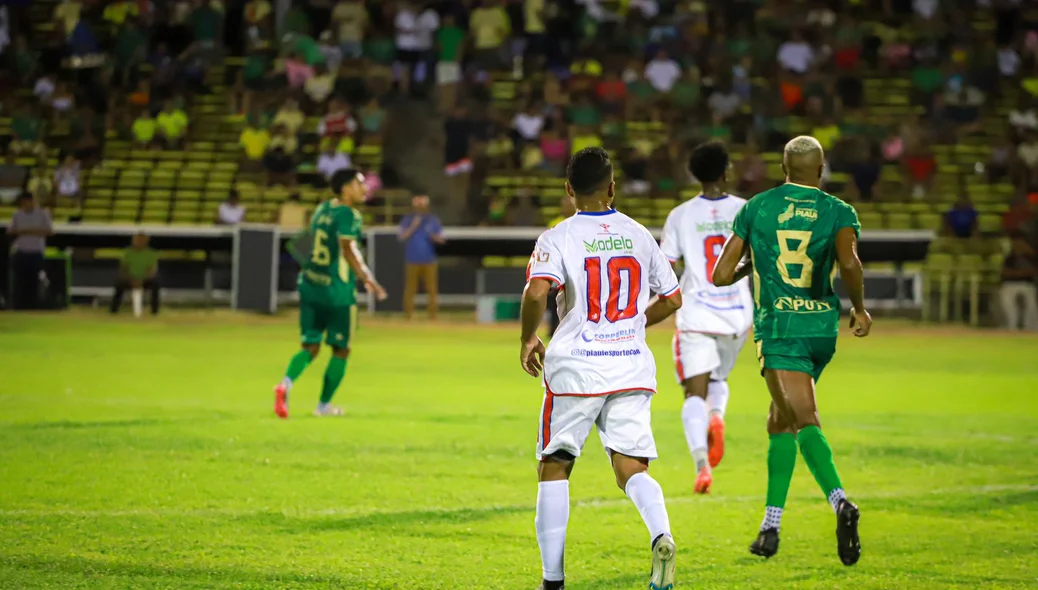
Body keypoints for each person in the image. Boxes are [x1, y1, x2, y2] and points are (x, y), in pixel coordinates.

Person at [520, 147, 682, 590]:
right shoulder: (638, 233)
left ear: (569, 190)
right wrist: (630, 323)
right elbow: (671, 298)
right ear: (612, 187)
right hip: (629, 366)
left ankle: (553, 581)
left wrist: (527, 338)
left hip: (576, 366)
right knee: (631, 466)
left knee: (555, 464)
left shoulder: (558, 236)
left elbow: (537, 293)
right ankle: (661, 534)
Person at [712, 136, 868, 566]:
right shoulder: (839, 211)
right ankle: (770, 526)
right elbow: (850, 264)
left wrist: (753, 263)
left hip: (780, 328)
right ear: (820, 170)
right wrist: (858, 308)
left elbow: (721, 274)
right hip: (821, 329)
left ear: (783, 168)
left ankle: (841, 502)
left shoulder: (758, 207)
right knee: (778, 420)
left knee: (801, 418)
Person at [660, 141, 752, 494]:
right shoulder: (747, 209)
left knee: (693, 393)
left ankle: (702, 466)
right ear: (726, 171)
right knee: (719, 379)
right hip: (737, 315)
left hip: (697, 312)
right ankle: (718, 417)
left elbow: (666, 265)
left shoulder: (681, 215)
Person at [274, 169, 388, 419]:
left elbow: (304, 243)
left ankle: (285, 384)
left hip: (311, 284)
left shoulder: (322, 209)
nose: (365, 188)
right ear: (346, 188)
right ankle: (323, 406)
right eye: (359, 184)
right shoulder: (349, 214)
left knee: (310, 346)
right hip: (337, 291)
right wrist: (369, 280)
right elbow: (349, 249)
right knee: (341, 349)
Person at [398, 194, 444, 320]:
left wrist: (434, 236)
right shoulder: (407, 220)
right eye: (418, 204)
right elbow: (401, 237)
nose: (420, 207)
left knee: (432, 289)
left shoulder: (433, 220)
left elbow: (441, 239)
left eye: (423, 204)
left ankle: (432, 315)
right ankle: (408, 314)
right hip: (412, 259)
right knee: (410, 288)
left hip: (429, 259)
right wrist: (414, 225)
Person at [8, 192, 52, 310]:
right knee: (20, 281)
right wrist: (24, 232)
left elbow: (49, 231)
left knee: (34, 280)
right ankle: (19, 305)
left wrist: (27, 231)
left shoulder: (42, 213)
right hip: (21, 251)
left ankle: (34, 305)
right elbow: (11, 230)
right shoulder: (17, 214)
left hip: (36, 252)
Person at [111, 232, 160, 317]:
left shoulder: (151, 253)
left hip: (145, 280)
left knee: (155, 284)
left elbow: (152, 270)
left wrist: (141, 280)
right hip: (129, 279)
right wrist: (131, 280)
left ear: (146, 242)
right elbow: (123, 269)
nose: (137, 242)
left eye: (141, 240)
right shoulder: (128, 253)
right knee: (119, 284)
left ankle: (154, 311)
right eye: (136, 240)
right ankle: (113, 310)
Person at [1000, 236, 1038, 330]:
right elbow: (1005, 273)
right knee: (1006, 300)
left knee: (1031, 303)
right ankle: (1011, 326)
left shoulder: (1032, 257)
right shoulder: (1009, 257)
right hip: (1009, 285)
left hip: (1028, 284)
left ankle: (1030, 328)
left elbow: (1034, 271)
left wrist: (1020, 272)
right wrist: (1022, 272)